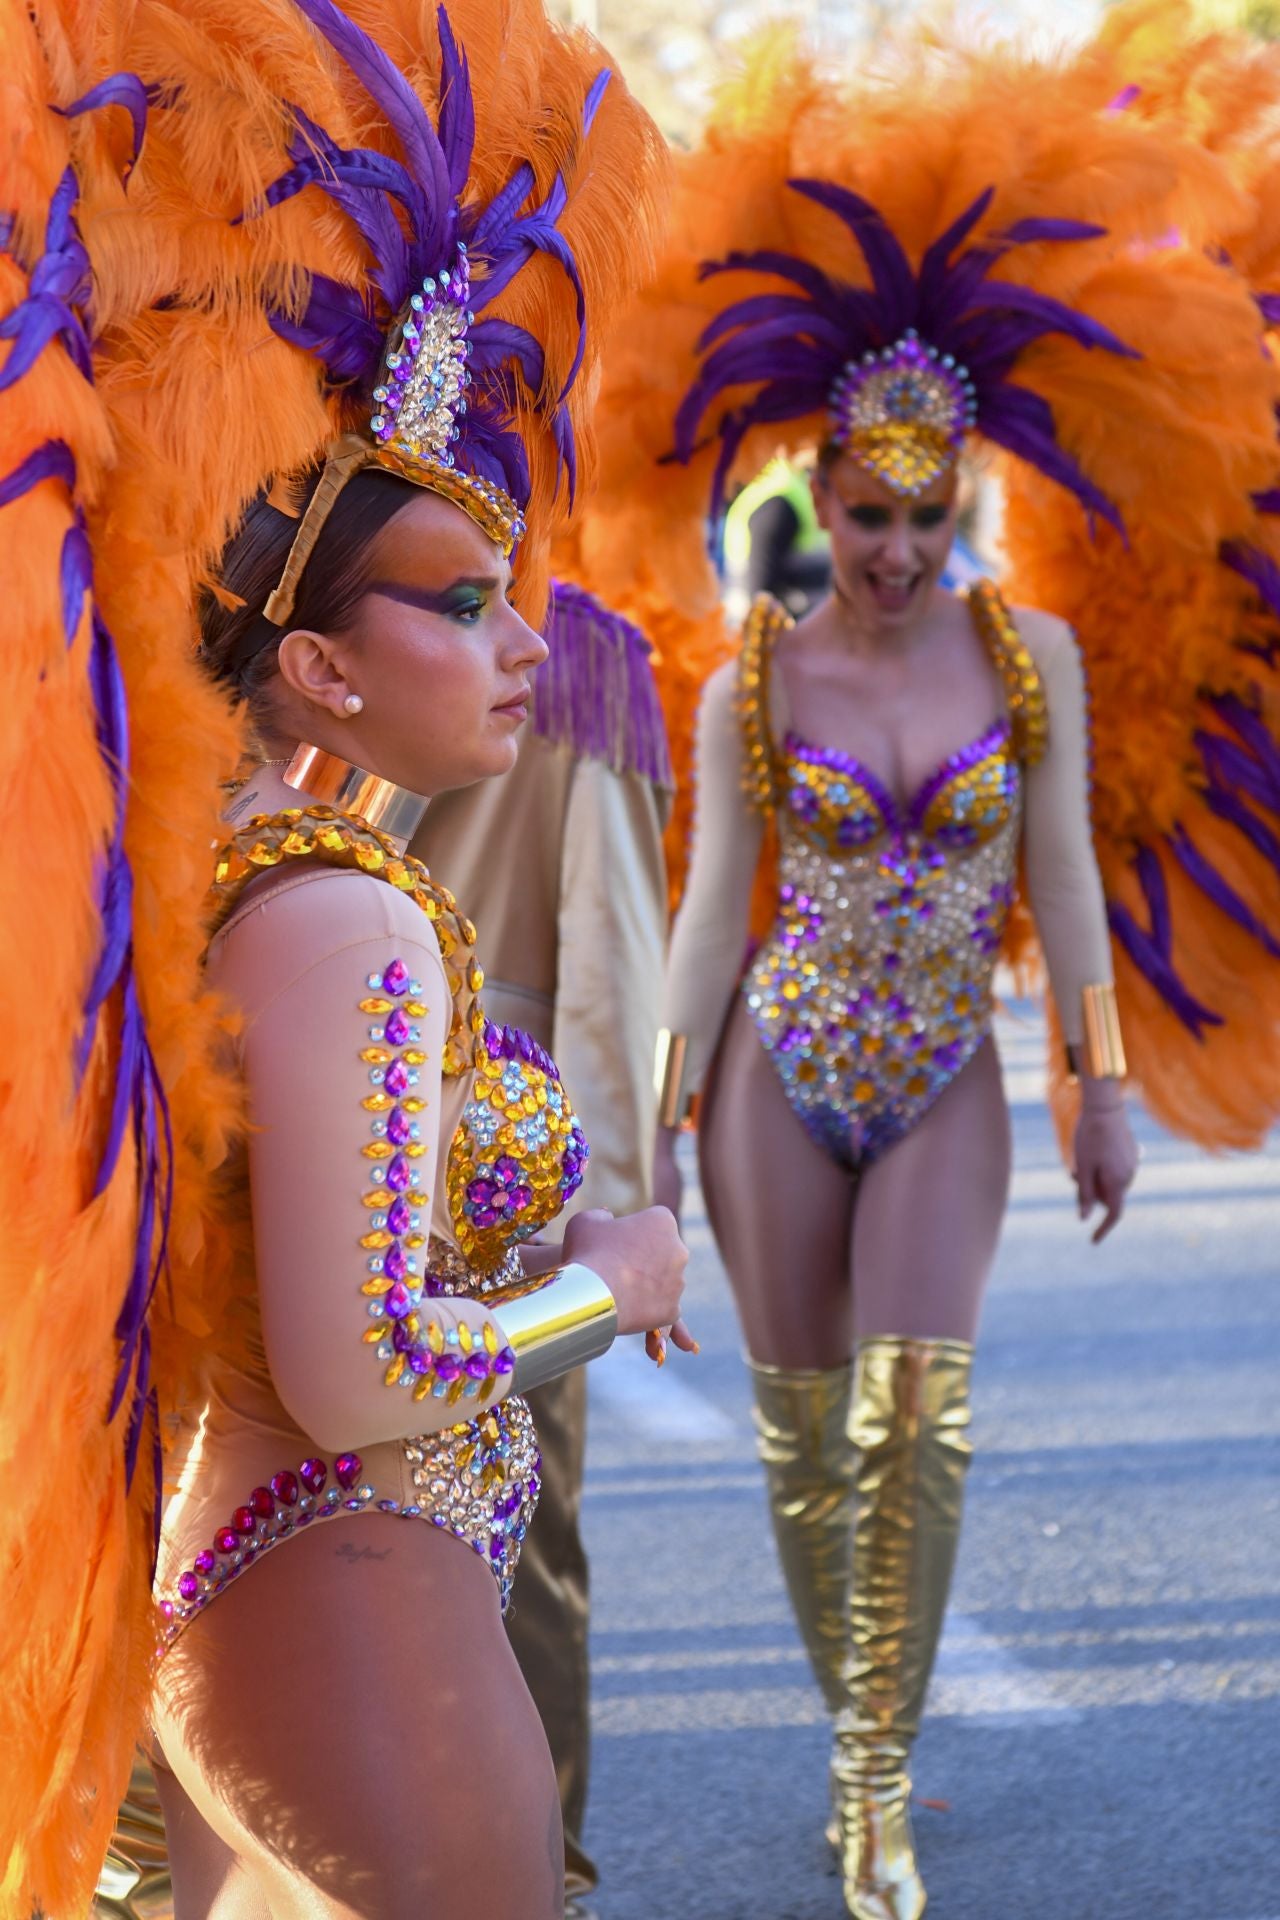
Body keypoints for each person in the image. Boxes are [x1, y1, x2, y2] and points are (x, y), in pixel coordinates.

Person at [0, 4, 685, 1916]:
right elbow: (369, 1364)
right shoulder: (341, 921)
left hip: (307, 1585)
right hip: (348, 1579)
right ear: (318, 663)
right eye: (466, 603)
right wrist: (603, 1285)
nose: (525, 641)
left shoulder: (256, 870)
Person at [639, 35, 1280, 1910]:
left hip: (941, 1081)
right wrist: (669, 1127)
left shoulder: (1033, 664)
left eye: (929, 515)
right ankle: (856, 1695)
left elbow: (1066, 878)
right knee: (802, 1439)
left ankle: (872, 1779)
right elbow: (709, 916)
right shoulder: (748, 681)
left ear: (967, 503)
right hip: (775, 1078)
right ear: (815, 499)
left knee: (919, 1415)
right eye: (868, 515)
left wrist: (1093, 1088)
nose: (900, 549)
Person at [410, 576, 673, 1919]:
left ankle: (539, 1871)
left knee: (510, 1548)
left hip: (496, 1203)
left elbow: (613, 948)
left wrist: (609, 1235)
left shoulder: (570, 662)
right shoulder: (228, 608)